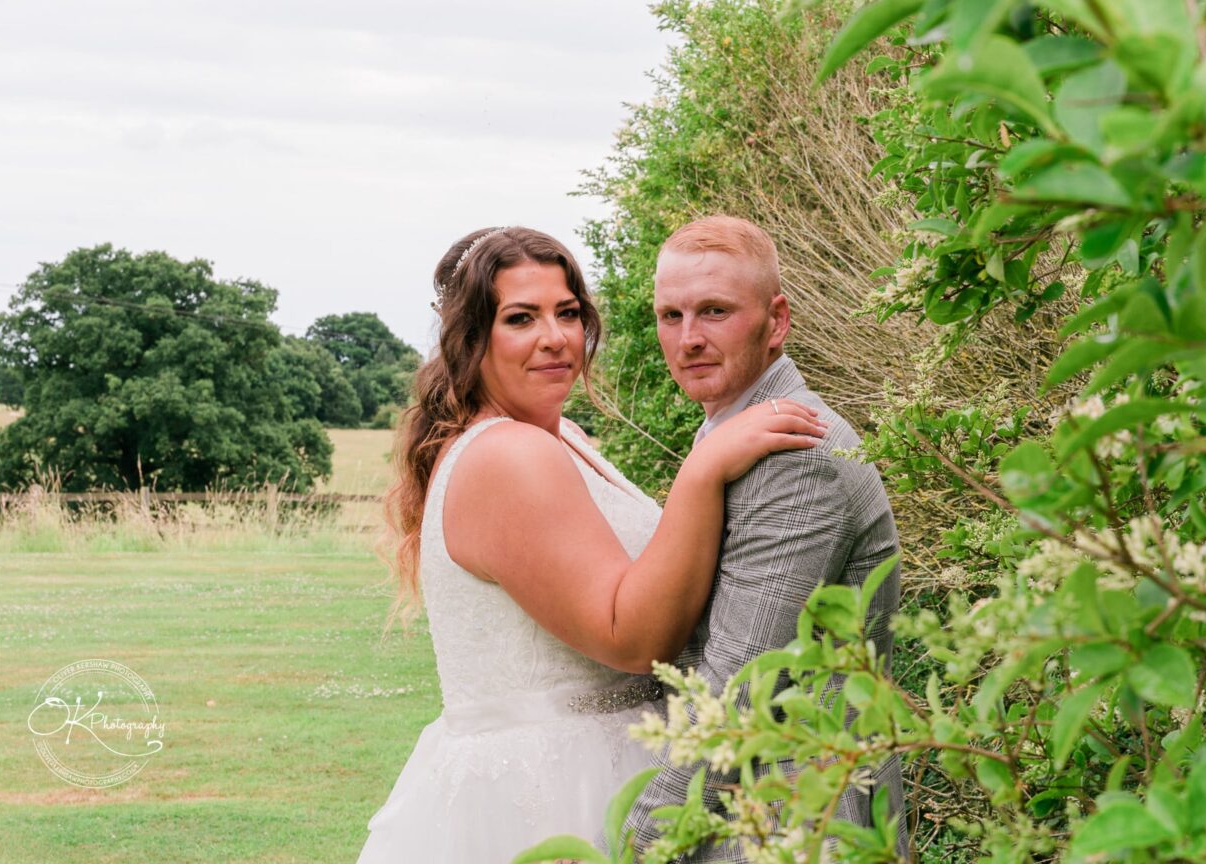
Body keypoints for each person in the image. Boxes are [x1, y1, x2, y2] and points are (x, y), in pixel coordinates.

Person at [357, 226, 825, 863]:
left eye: (568, 313)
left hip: (611, 758)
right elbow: (630, 639)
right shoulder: (508, 455)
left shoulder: (561, 437)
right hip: (552, 790)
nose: (555, 337)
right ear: (472, 341)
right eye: (521, 318)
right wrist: (703, 469)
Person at [623, 216, 908, 861]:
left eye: (714, 311)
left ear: (775, 322)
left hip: (797, 826)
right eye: (671, 316)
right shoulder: (730, 436)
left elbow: (735, 689)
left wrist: (631, 843)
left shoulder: (796, 457)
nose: (688, 339)